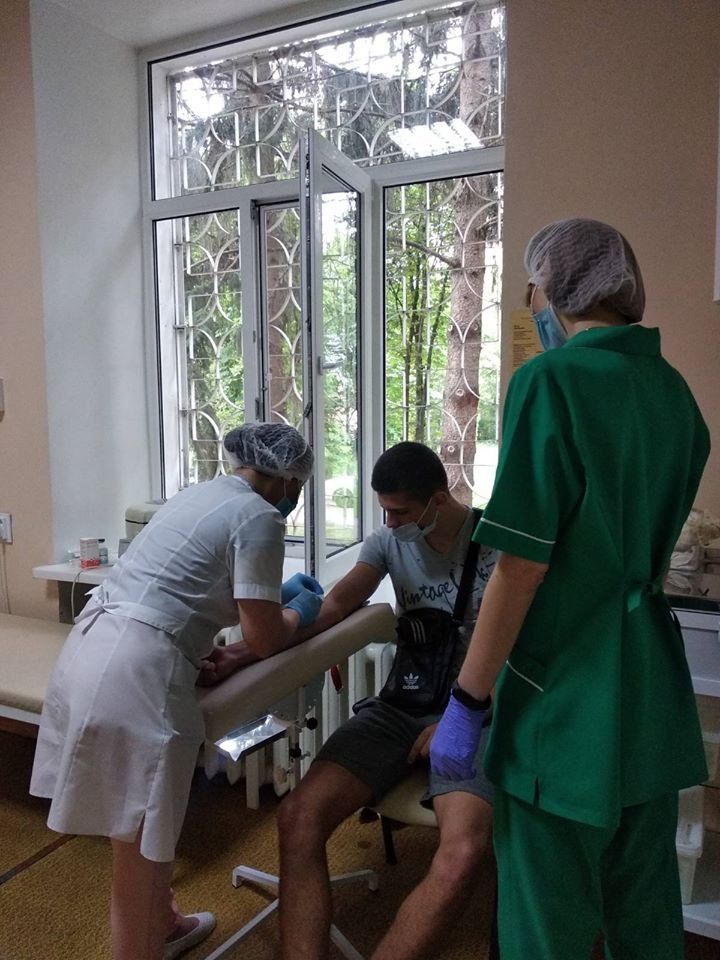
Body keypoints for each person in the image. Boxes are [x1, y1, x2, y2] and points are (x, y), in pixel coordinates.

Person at [429, 218, 711, 960]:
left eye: (533, 290)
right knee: (645, 920)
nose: (532, 306)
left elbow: (522, 566)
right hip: (648, 694)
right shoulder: (673, 392)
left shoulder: (550, 381)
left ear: (556, 287)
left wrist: (467, 703)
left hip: (563, 704)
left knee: (545, 926)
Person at [30, 422, 324, 960]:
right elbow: (263, 638)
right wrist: (300, 609)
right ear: (287, 478)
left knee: (136, 826)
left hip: (90, 651)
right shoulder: (260, 517)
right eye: (299, 486)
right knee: (143, 841)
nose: (296, 496)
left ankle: (164, 924)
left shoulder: (197, 495)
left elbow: (188, 586)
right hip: (138, 674)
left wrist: (267, 603)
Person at [277, 442, 498, 960]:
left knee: (463, 851)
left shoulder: (496, 544)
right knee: (298, 817)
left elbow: (519, 651)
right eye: (384, 511)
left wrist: (457, 719)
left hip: (480, 713)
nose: (390, 523)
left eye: (399, 512)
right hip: (404, 702)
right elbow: (336, 606)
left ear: (438, 500)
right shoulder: (387, 542)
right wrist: (258, 643)